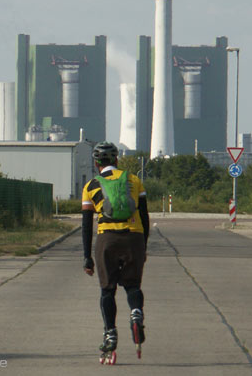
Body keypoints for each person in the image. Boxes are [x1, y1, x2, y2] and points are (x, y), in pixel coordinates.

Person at [81, 141, 150, 363]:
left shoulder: (91, 186)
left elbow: (86, 225)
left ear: (96, 163)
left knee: (107, 290)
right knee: (132, 286)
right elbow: (145, 216)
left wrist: (87, 257)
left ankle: (110, 334)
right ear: (117, 160)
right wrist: (144, 246)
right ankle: (136, 313)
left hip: (107, 240)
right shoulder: (133, 180)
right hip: (134, 237)